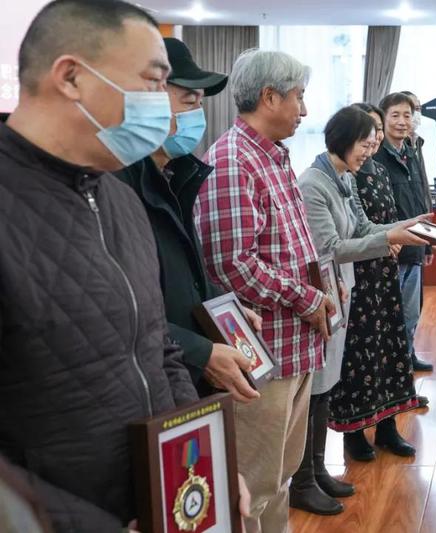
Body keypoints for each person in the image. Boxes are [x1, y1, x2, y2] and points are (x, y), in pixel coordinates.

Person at [0, 1, 200, 530]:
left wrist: (201, 467)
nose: (165, 106)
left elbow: (158, 347)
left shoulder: (122, 199)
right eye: (153, 82)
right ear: (71, 77)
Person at [194, 49, 335, 533]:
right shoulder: (234, 161)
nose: (304, 110)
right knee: (252, 486)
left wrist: (319, 291)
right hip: (263, 355)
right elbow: (232, 264)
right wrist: (307, 297)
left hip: (294, 347)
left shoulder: (271, 155)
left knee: (280, 478)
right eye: (299, 97)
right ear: (270, 97)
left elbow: (289, 248)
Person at [292, 105, 427, 514]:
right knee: (318, 387)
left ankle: (317, 471)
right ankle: (304, 479)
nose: (370, 152)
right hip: (324, 295)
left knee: (327, 383)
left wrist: (403, 228)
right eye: (366, 144)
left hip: (341, 294)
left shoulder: (345, 178)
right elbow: (331, 248)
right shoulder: (314, 184)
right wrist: (390, 239)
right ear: (343, 140)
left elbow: (364, 228)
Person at [114, 37, 262, 403]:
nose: (197, 114)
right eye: (188, 100)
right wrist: (200, 352)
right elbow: (119, 306)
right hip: (147, 379)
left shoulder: (176, 176)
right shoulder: (115, 184)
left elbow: (187, 276)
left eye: (200, 103)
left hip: (181, 375)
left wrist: (225, 308)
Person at [325, 102, 425, 463]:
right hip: (358, 275)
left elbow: (381, 219)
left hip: (384, 271)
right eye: (370, 133)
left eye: (377, 132)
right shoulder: (343, 175)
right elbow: (349, 233)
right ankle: (354, 432)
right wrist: (389, 238)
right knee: (359, 356)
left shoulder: (378, 170)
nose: (375, 139)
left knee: (390, 349)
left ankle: (387, 428)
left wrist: (402, 232)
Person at [373, 92, 435, 373]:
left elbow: (422, 199)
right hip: (391, 247)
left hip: (416, 246)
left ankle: (406, 357)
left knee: (411, 311)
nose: (402, 121)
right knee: (389, 314)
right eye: (395, 115)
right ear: (383, 119)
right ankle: (389, 367)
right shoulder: (376, 155)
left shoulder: (412, 152)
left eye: (407, 115)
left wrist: (429, 244)